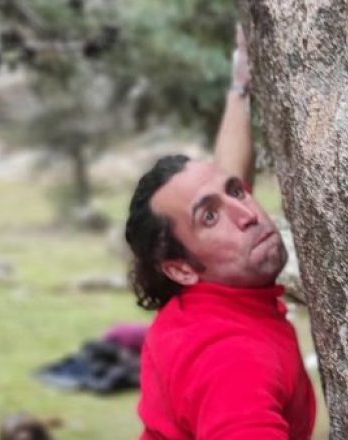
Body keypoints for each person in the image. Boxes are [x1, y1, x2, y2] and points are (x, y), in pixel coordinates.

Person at [124, 25, 316, 439]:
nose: (246, 212)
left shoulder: (196, 304)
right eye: (210, 217)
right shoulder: (232, 360)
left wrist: (240, 82)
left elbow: (227, 177)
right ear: (180, 268)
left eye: (236, 193)